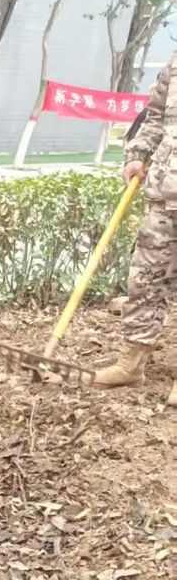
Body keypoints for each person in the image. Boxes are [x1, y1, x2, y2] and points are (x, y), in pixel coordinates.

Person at [94, 52, 177, 407]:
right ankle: (131, 362)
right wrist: (139, 153)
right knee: (144, 279)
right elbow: (156, 114)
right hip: (165, 189)